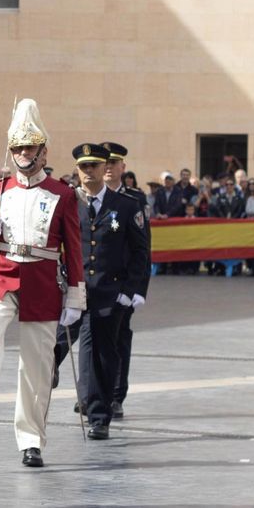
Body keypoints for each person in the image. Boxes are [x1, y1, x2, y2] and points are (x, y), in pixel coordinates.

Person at [0, 99, 84, 469]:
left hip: (43, 279)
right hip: (2, 272)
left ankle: (31, 439)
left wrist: (75, 295)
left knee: (36, 365)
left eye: (30, 147)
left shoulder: (62, 194)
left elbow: (73, 249)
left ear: (43, 151)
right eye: (17, 147)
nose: (23, 153)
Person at [53, 144, 150, 440]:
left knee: (100, 355)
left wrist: (131, 291)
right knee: (54, 342)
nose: (89, 172)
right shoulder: (68, 202)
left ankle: (99, 415)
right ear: (77, 170)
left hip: (109, 293)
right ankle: (51, 377)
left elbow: (140, 251)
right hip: (74, 291)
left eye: (94, 166)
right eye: (83, 167)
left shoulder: (125, 205)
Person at [101, 142, 151, 415]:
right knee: (93, 340)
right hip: (96, 284)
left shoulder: (135, 200)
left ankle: (115, 395)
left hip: (122, 285)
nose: (108, 167)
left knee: (119, 340)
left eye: (113, 162)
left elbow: (143, 248)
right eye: (104, 162)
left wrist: (138, 289)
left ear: (123, 167)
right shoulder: (86, 197)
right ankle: (93, 393)